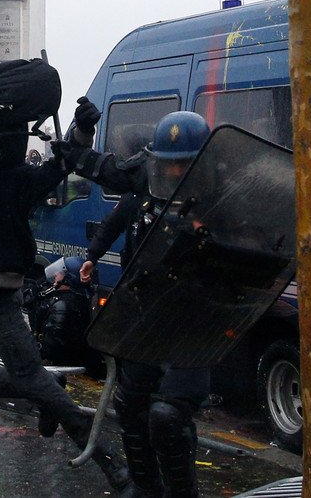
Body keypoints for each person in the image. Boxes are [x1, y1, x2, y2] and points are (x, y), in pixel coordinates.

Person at [0, 67, 129, 491]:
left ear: (7, 143)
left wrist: (80, 130)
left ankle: (101, 455)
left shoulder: (20, 181)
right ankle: (49, 388)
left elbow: (60, 164)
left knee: (28, 376)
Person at [57, 102, 212, 497]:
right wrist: (81, 130)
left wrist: (206, 236)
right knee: (131, 405)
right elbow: (88, 163)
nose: (173, 174)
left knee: (168, 416)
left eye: (183, 165)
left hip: (194, 322)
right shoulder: (143, 183)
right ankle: (145, 489)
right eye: (168, 165)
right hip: (144, 314)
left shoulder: (225, 196)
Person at [35, 256, 104, 376]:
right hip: (79, 363)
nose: (56, 275)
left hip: (68, 366)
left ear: (69, 279)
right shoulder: (81, 299)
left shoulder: (63, 305)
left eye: (60, 273)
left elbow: (51, 348)